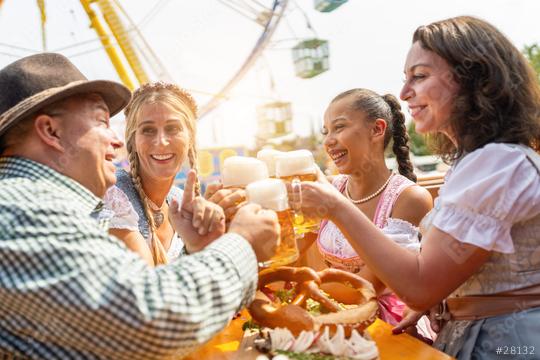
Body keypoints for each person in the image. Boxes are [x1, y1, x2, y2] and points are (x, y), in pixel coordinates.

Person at [0, 53, 279, 359]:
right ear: (51, 132)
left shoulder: (39, 204)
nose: (116, 141)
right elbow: (155, 322)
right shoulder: (25, 210)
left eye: (172, 129)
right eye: (102, 122)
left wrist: (200, 249)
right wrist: (242, 242)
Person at [296, 16, 540, 359]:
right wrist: (443, 304)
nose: (404, 93)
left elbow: (418, 286)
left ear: (474, 80)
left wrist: (336, 207)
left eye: (420, 76)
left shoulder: (498, 165)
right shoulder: (477, 164)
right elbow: (466, 268)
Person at [301, 89, 432, 326]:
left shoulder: (409, 198)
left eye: (339, 127)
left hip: (385, 324)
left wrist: (304, 289)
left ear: (377, 130)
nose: (328, 140)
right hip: (333, 313)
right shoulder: (331, 188)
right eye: (326, 131)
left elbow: (367, 287)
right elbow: (294, 244)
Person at [99, 81, 224, 265]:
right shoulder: (114, 194)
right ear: (132, 141)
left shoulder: (181, 201)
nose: (161, 141)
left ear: (190, 138)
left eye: (172, 128)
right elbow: (149, 289)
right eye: (148, 130)